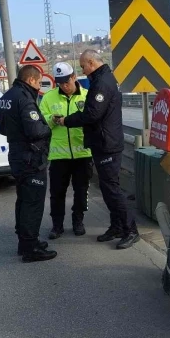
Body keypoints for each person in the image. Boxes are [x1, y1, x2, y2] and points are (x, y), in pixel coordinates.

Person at [55, 50, 139, 250]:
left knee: (113, 190)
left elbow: (92, 114)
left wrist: (67, 120)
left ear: (91, 62)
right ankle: (117, 226)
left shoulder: (102, 83)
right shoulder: (101, 80)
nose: (82, 70)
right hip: (103, 142)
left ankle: (131, 230)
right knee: (108, 189)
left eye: (83, 66)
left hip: (107, 144)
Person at [0, 65, 58, 262]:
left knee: (23, 200)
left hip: (16, 155)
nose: (40, 86)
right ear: (31, 80)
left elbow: (3, 128)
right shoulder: (24, 99)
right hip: (31, 159)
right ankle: (31, 248)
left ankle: (25, 242)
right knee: (33, 203)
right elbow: (35, 131)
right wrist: (48, 128)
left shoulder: (6, 97)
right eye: (39, 82)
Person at [39, 62, 93, 240]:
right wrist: (51, 119)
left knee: (81, 191)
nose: (63, 85)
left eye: (66, 81)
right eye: (60, 82)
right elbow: (40, 121)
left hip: (82, 154)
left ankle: (78, 221)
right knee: (57, 193)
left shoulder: (87, 96)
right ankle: (57, 225)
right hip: (58, 155)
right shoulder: (49, 98)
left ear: (74, 77)